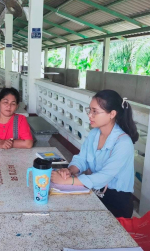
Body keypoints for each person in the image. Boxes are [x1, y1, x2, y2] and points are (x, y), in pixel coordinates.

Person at [51, 90, 139, 218]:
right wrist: (69, 170)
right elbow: (82, 159)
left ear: (112, 114)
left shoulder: (123, 143)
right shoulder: (94, 134)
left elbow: (103, 177)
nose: (90, 116)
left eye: (95, 111)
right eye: (90, 110)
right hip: (96, 192)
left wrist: (69, 181)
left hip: (116, 202)